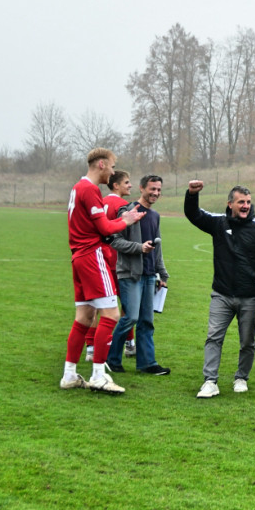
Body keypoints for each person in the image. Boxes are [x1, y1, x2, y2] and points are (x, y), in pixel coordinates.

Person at [185, 181, 255, 398]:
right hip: (221, 294)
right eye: (241, 202)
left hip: (250, 297)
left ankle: (241, 378)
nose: (246, 205)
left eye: (248, 202)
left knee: (247, 341)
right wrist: (192, 194)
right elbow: (194, 215)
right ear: (230, 204)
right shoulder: (218, 224)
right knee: (213, 337)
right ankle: (210, 381)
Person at [62, 148, 142, 395]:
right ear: (101, 164)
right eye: (112, 166)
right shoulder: (90, 190)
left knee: (84, 317)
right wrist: (126, 221)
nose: (113, 171)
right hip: (91, 256)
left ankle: (70, 374)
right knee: (111, 314)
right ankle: (98, 375)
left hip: (78, 257)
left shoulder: (78, 188)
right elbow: (106, 228)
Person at [106, 175, 171, 375]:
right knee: (130, 318)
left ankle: (147, 364)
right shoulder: (127, 211)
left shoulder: (155, 216)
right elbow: (113, 240)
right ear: (142, 188)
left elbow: (157, 247)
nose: (156, 193)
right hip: (130, 274)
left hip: (150, 275)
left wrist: (162, 274)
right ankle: (110, 358)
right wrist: (138, 248)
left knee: (146, 321)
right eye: (152, 189)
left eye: (159, 190)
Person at [85, 170, 134, 362]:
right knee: (128, 305)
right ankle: (128, 343)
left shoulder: (100, 202)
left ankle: (90, 347)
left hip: (99, 260)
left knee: (97, 306)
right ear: (116, 185)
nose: (129, 185)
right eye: (127, 182)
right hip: (118, 261)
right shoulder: (123, 205)